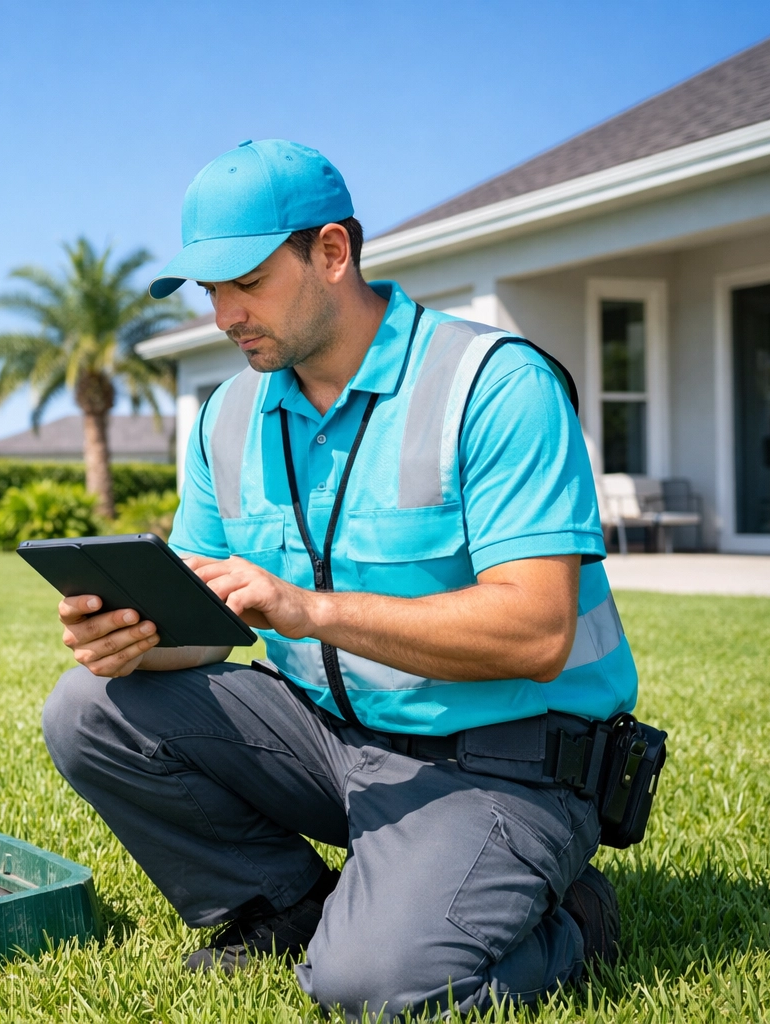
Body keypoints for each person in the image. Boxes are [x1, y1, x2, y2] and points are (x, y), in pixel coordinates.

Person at [40, 140, 637, 1020]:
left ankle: (577, 919)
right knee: (87, 709)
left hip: (507, 761)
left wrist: (308, 610)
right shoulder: (228, 417)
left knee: (373, 991)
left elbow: (537, 633)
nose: (224, 315)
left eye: (245, 281)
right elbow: (212, 623)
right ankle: (284, 910)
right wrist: (136, 643)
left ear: (331, 252)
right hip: (333, 742)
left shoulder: (495, 385)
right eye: (210, 292)